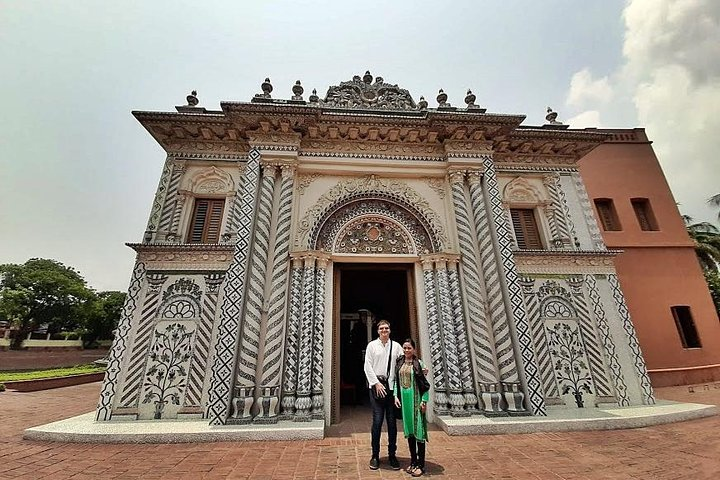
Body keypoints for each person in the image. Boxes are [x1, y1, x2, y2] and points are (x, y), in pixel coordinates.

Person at [363, 319, 402, 470]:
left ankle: (392, 455)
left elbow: (405, 361)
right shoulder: (372, 346)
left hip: (391, 388)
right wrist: (376, 383)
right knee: (377, 422)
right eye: (381, 329)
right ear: (377, 331)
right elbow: (367, 366)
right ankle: (375, 455)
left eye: (386, 328)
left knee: (392, 424)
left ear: (390, 330)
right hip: (377, 388)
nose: (384, 331)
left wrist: (422, 367)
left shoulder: (396, 346)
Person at [393, 338, 430, 477]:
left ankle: (421, 465)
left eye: (409, 348)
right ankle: (413, 462)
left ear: (414, 349)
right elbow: (397, 380)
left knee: (419, 432)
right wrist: (396, 395)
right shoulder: (400, 363)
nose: (407, 350)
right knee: (410, 433)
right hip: (405, 403)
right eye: (405, 348)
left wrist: (424, 401)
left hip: (416, 402)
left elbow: (425, 385)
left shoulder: (419, 364)